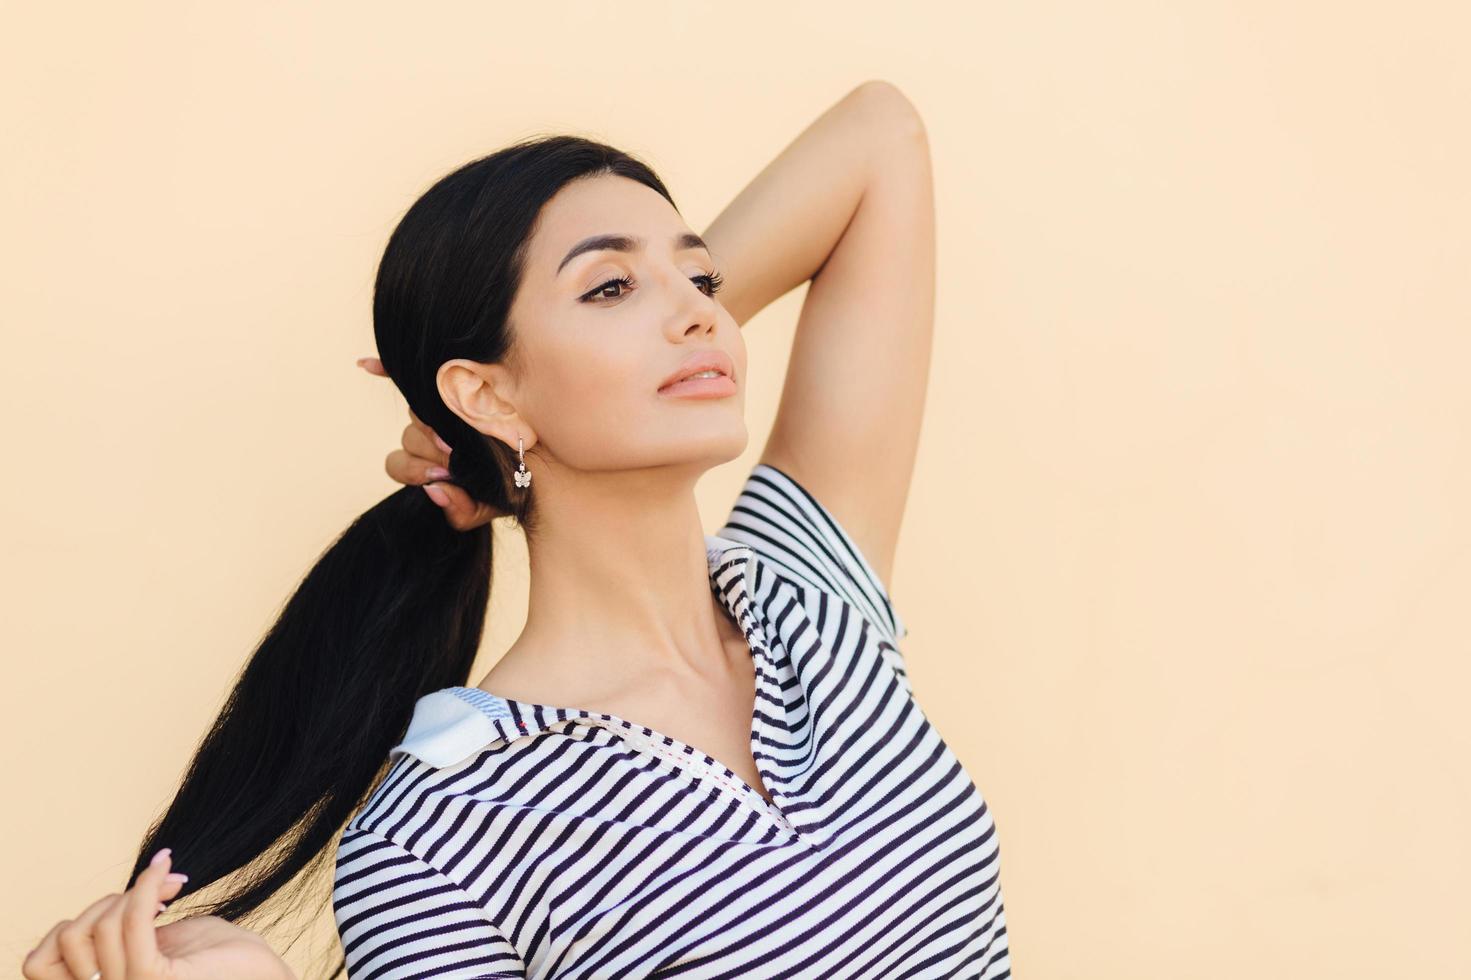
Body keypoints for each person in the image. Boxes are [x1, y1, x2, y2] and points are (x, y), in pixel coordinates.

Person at [23, 80, 1009, 980]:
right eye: (609, 288)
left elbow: (882, 135)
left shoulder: (804, 593)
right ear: (482, 387)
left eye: (701, 280)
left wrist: (527, 413)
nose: (700, 317)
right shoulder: (437, 832)